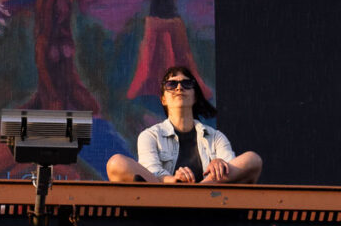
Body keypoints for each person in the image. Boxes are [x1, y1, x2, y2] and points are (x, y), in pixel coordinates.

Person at [105, 66, 262, 184]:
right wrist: (173, 181)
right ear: (163, 99)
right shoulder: (150, 135)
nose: (179, 88)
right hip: (163, 202)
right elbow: (151, 171)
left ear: (195, 96)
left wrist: (220, 163)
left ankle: (199, 192)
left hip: (208, 203)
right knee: (116, 163)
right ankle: (179, 196)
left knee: (253, 159)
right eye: (171, 85)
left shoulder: (215, 137)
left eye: (186, 84)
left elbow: (232, 168)